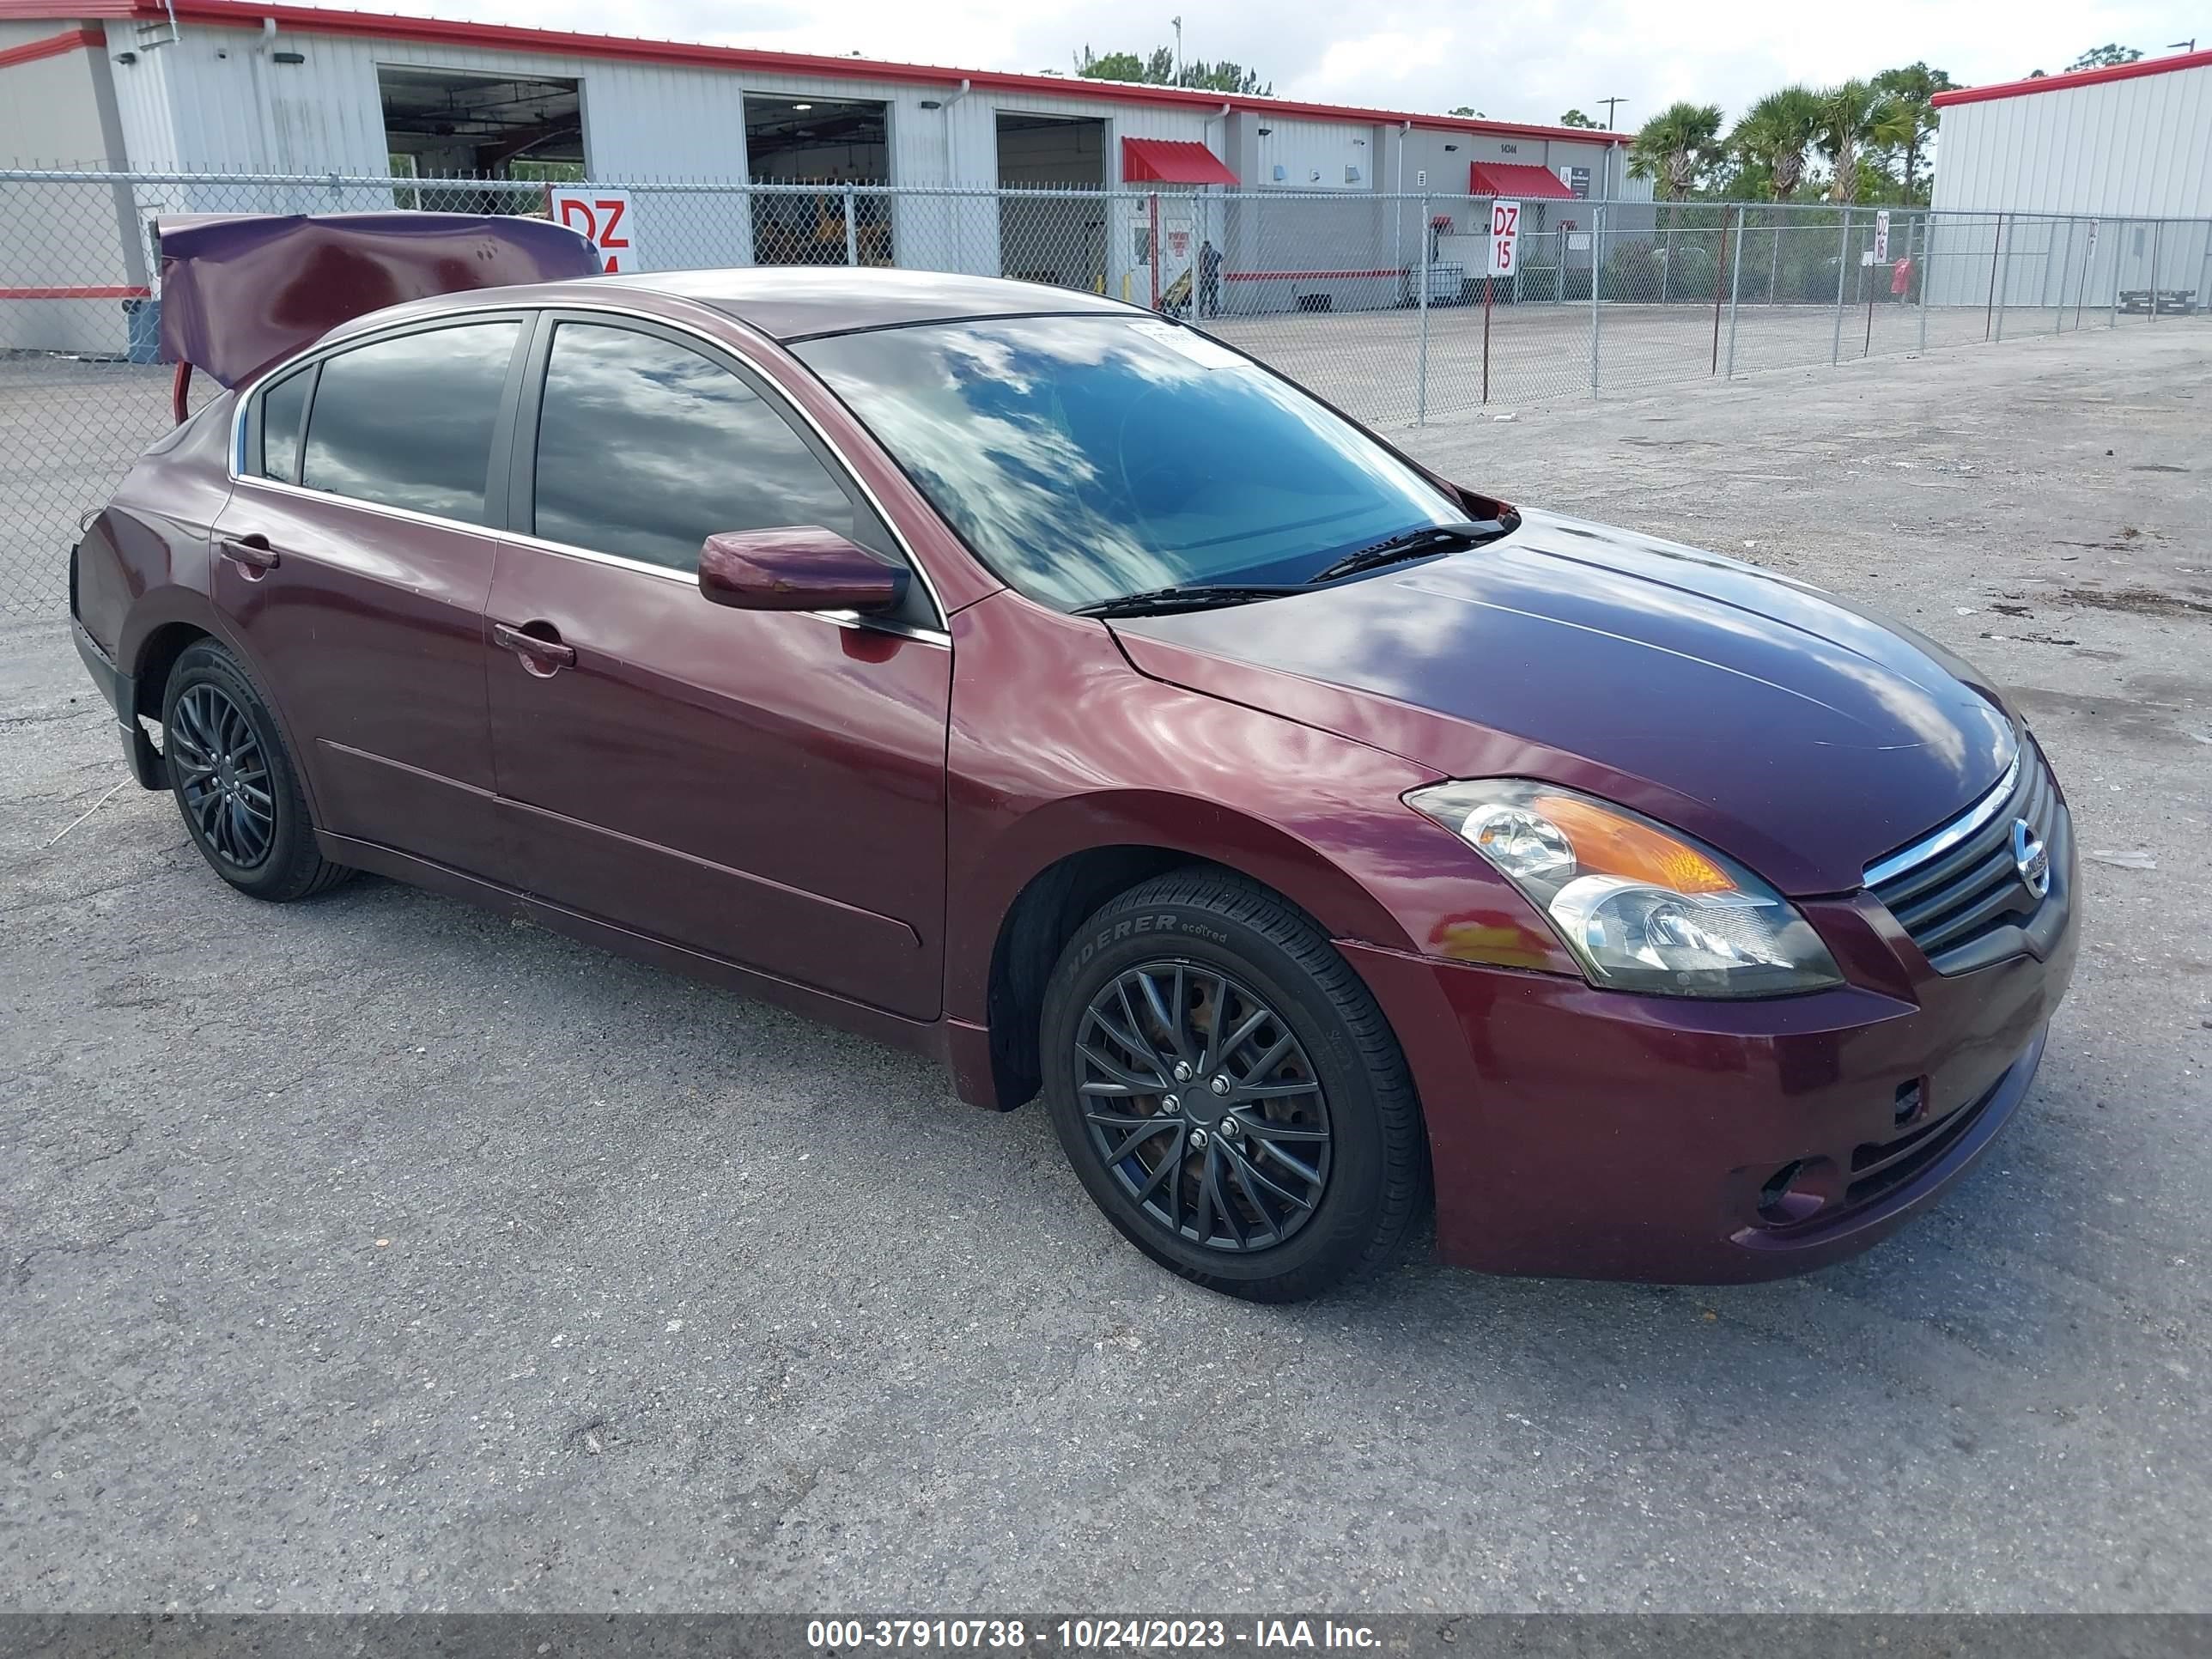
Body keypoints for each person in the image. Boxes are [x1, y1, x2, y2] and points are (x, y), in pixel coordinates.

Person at [1199, 239, 1223, 319]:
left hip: (1206, 277)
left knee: (1203, 295)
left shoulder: (1203, 252)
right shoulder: (1216, 252)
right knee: (1214, 296)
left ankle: (1200, 313)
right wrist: (1219, 272)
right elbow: (1222, 260)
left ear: (1204, 245)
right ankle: (1213, 313)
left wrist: (1202, 271)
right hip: (1214, 277)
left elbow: (1202, 261)